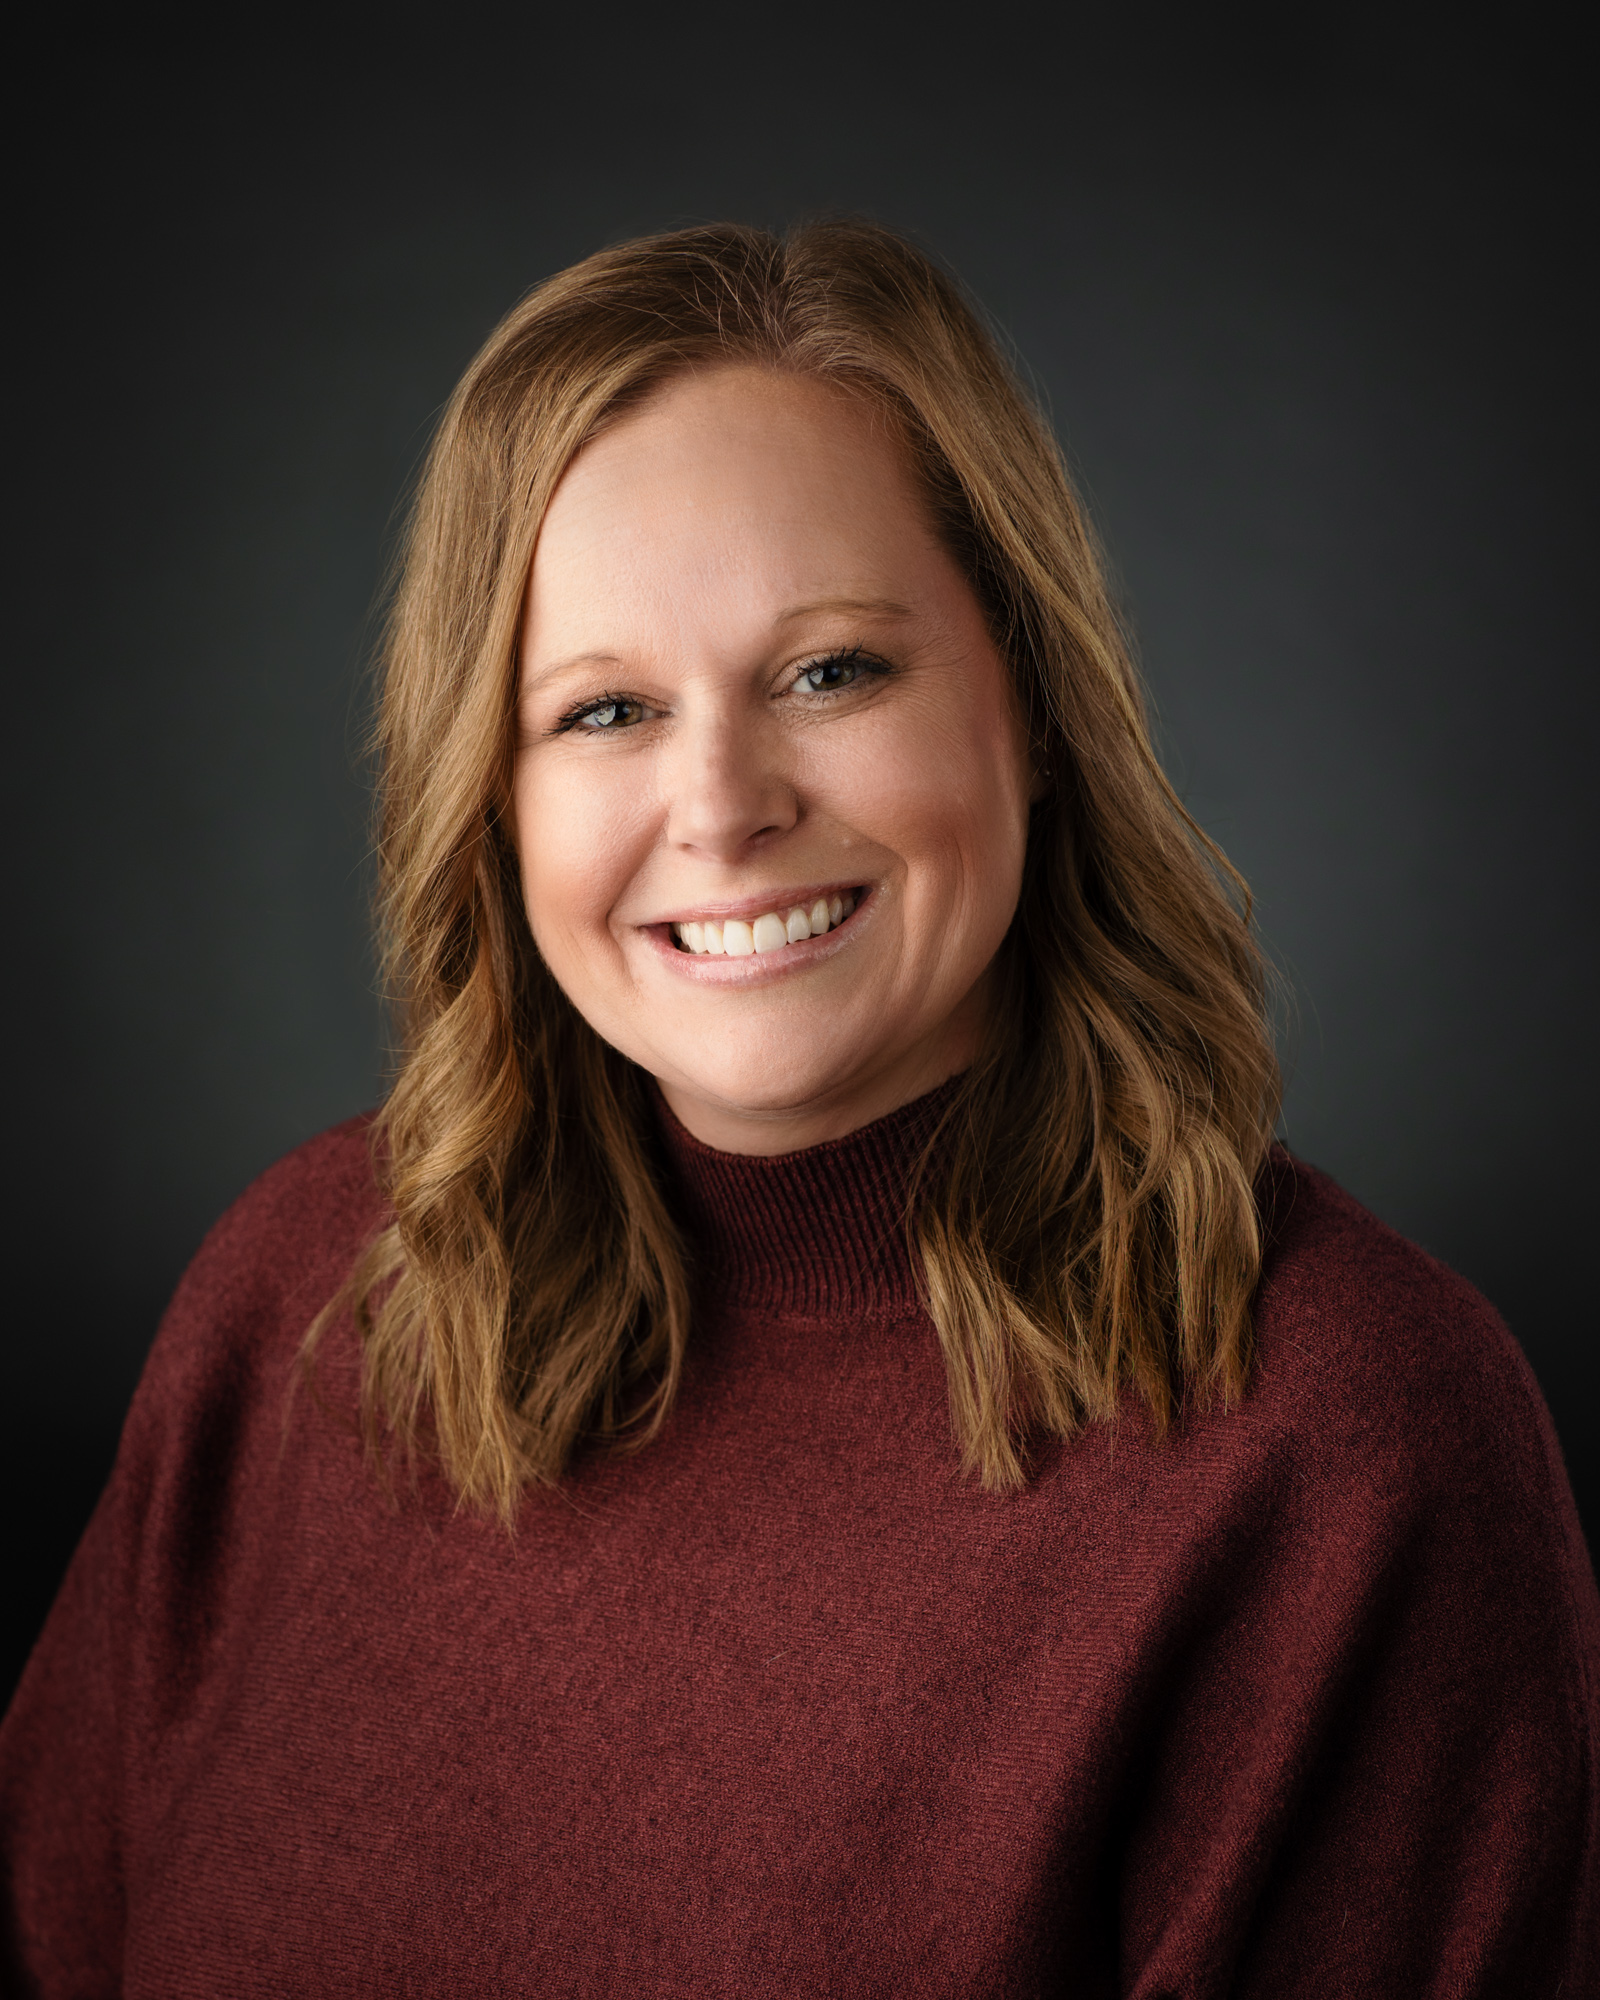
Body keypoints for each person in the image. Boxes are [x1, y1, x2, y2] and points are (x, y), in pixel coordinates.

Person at [3, 220, 1595, 1998]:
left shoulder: (1346, 1438)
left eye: (832, 672)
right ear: (492, 802)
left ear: (1038, 702)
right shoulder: (300, 1301)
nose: (720, 803)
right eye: (603, 710)